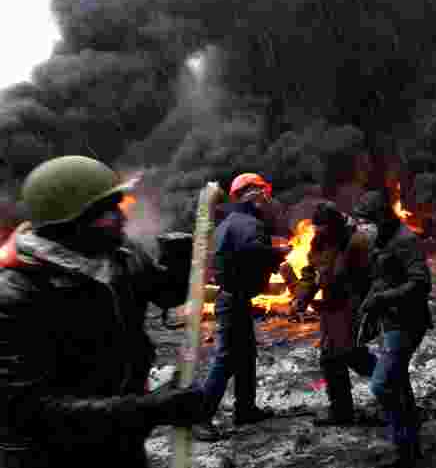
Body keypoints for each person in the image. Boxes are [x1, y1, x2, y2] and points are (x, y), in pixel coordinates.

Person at [0, 155, 207, 467]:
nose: (122, 217)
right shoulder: (17, 293)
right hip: (48, 455)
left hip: (122, 441)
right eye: (108, 212)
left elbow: (166, 294)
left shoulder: (120, 256)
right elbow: (28, 409)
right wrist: (150, 409)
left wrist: (178, 260)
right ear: (70, 223)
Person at [193, 173, 290, 442]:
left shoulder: (229, 223)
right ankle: (200, 418)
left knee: (246, 354)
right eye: (263, 191)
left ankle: (245, 409)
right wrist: (279, 253)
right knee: (226, 359)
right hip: (234, 301)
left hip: (234, 298)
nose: (267, 197)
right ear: (252, 193)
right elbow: (253, 252)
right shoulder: (248, 224)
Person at [354, 191, 433, 468]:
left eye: (366, 221)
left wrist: (382, 299)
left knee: (382, 385)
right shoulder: (381, 238)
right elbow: (382, 278)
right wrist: (368, 306)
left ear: (380, 217)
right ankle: (409, 445)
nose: (362, 227)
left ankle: (404, 442)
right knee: (398, 381)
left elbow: (421, 283)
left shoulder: (406, 240)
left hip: (407, 323)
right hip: (389, 322)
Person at [289, 201, 376, 426]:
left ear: (335, 226)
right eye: (318, 230)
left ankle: (393, 390)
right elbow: (311, 272)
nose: (320, 234)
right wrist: (302, 297)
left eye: (324, 230)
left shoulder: (357, 242)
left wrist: (368, 309)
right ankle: (342, 411)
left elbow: (370, 278)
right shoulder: (320, 241)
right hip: (332, 306)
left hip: (353, 306)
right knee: (332, 357)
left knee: (350, 354)